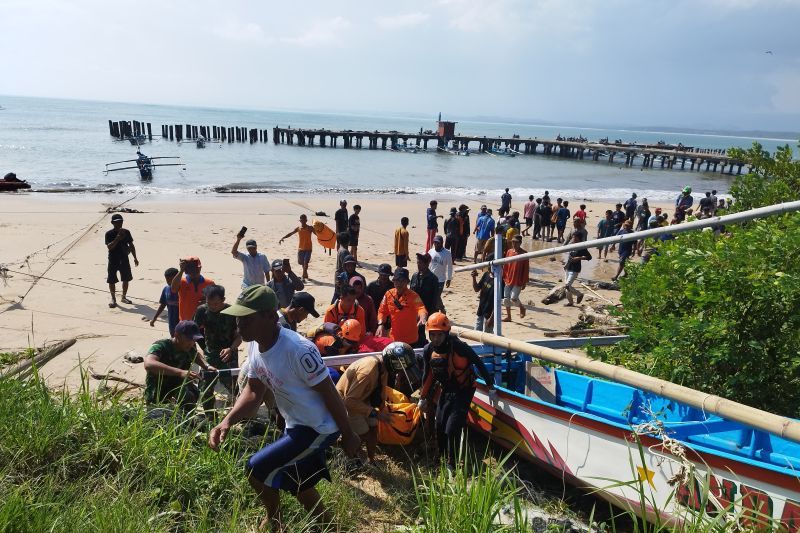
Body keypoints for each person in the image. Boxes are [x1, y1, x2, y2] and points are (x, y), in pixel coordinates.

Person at [209, 285, 360, 531]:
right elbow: (254, 391)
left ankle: (275, 522)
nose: (239, 325)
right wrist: (226, 421)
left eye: (246, 319)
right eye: (238, 318)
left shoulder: (298, 350)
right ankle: (330, 526)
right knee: (298, 482)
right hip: (296, 424)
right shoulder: (255, 345)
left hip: (318, 427)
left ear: (270, 316)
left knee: (255, 468)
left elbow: (330, 393)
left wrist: (349, 434)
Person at [418, 313, 496, 470]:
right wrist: (423, 397)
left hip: (464, 390)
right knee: (439, 425)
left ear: (446, 333)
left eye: (439, 335)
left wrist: (490, 386)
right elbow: (428, 375)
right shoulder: (428, 350)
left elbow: (479, 363)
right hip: (446, 390)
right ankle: (441, 458)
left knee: (452, 427)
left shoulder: (460, 347)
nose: (436, 339)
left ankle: (452, 463)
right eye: (432, 335)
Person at [335, 342, 419, 463]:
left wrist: (383, 408)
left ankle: (371, 460)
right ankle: (349, 460)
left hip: (364, 400)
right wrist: (376, 413)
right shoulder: (368, 371)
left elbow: (381, 389)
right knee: (363, 435)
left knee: (373, 430)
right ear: (394, 364)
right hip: (348, 404)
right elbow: (349, 401)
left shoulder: (382, 366)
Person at [144, 320, 214, 412]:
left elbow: (195, 355)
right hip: (158, 387)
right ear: (177, 335)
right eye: (189, 339)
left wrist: (207, 366)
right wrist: (180, 372)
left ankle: (186, 419)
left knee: (191, 395)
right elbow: (149, 364)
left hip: (177, 385)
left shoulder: (188, 347)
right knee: (157, 414)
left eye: (194, 340)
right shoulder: (161, 346)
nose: (192, 343)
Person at [193, 285, 241, 414]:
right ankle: (210, 415)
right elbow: (194, 332)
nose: (212, 307)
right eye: (209, 303)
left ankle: (239, 411)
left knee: (233, 385)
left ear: (223, 299)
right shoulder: (202, 311)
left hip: (229, 354)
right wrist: (204, 348)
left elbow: (240, 336)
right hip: (210, 353)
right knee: (206, 387)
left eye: (215, 304)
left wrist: (231, 349)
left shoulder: (232, 312)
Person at [376, 268, 428, 346]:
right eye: (397, 280)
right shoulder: (388, 294)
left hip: (411, 340)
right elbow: (382, 311)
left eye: (402, 281)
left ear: (407, 282)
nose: (399, 283)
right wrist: (381, 324)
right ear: (393, 281)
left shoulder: (413, 296)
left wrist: (423, 316)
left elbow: (421, 308)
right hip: (394, 338)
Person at [105, 213, 139, 308]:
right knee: (111, 280)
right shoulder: (109, 234)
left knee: (126, 278)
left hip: (124, 258)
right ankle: (113, 298)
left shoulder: (127, 232)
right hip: (113, 259)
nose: (119, 223)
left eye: (121, 221)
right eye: (117, 222)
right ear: (112, 223)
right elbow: (109, 247)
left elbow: (131, 245)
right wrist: (117, 238)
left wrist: (135, 258)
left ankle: (123, 297)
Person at [171, 257, 215, 321]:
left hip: (204, 323)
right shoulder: (182, 282)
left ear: (200, 268)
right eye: (191, 269)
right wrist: (181, 271)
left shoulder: (209, 283)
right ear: (186, 270)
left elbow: (216, 301)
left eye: (196, 269)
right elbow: (173, 289)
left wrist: (207, 302)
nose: (194, 272)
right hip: (186, 322)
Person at [279, 214, 316, 280]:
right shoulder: (298, 228)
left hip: (308, 248)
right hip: (301, 248)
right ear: (300, 221)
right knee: (301, 262)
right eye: (301, 220)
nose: (303, 221)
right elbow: (291, 233)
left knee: (306, 262)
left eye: (304, 220)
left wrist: (324, 241)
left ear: (306, 220)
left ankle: (303, 276)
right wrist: (283, 237)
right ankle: (305, 273)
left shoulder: (310, 228)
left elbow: (318, 234)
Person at [502, 235, 529, 322]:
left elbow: (526, 269)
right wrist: (504, 276)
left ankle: (522, 308)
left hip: (518, 280)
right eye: (513, 242)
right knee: (506, 299)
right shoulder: (509, 251)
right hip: (508, 278)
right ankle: (509, 316)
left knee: (513, 298)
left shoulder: (524, 254)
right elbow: (505, 265)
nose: (514, 244)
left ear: (520, 243)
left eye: (516, 242)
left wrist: (525, 281)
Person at [471, 254, 500, 332]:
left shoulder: (499, 281)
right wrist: (474, 278)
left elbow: (498, 303)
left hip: (489, 315)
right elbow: (476, 289)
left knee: (487, 338)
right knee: (476, 333)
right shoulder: (486, 274)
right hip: (480, 311)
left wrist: (492, 319)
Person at [562, 233, 592, 307]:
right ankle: (570, 302)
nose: (573, 239)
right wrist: (566, 264)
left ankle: (579, 294)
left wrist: (579, 258)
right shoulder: (572, 245)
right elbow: (570, 256)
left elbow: (589, 257)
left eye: (574, 238)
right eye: (572, 238)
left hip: (575, 269)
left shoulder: (582, 247)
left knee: (567, 285)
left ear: (579, 238)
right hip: (568, 267)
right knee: (566, 288)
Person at [410, 252, 440, 319]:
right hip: (414, 310)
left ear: (427, 264)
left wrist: (431, 314)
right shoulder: (414, 276)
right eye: (417, 262)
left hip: (426, 312)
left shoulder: (433, 279)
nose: (418, 265)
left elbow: (435, 299)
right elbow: (410, 294)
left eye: (420, 263)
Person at [150, 267, 180, 335]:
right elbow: (163, 304)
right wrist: (155, 318)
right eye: (167, 280)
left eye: (171, 280)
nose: (169, 282)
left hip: (182, 321)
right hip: (171, 321)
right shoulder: (166, 289)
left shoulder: (183, 289)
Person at [427, 235, 453, 314]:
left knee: (437, 296)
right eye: (435, 242)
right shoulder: (431, 251)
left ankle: (442, 309)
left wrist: (449, 279)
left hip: (440, 279)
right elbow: (427, 264)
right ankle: (434, 310)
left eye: (438, 243)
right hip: (430, 278)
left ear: (442, 243)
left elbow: (449, 267)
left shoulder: (447, 253)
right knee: (431, 295)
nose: (436, 244)